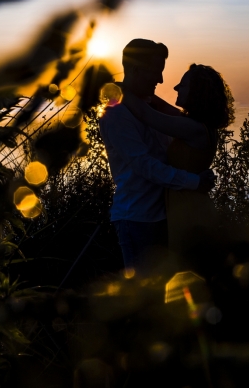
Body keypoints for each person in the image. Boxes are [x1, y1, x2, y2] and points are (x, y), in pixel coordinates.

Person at [98, 39, 216, 276]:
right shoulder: (116, 113)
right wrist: (194, 182)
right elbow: (145, 165)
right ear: (134, 70)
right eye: (156, 72)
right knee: (144, 298)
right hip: (138, 219)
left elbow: (161, 121)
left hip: (165, 217)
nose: (161, 80)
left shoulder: (150, 108)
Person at [121, 63, 235, 275]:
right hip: (188, 207)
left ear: (196, 92)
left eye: (182, 84)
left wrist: (118, 91)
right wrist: (141, 91)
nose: (175, 87)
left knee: (190, 273)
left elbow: (148, 116)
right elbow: (161, 108)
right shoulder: (196, 124)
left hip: (190, 215)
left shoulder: (193, 128)